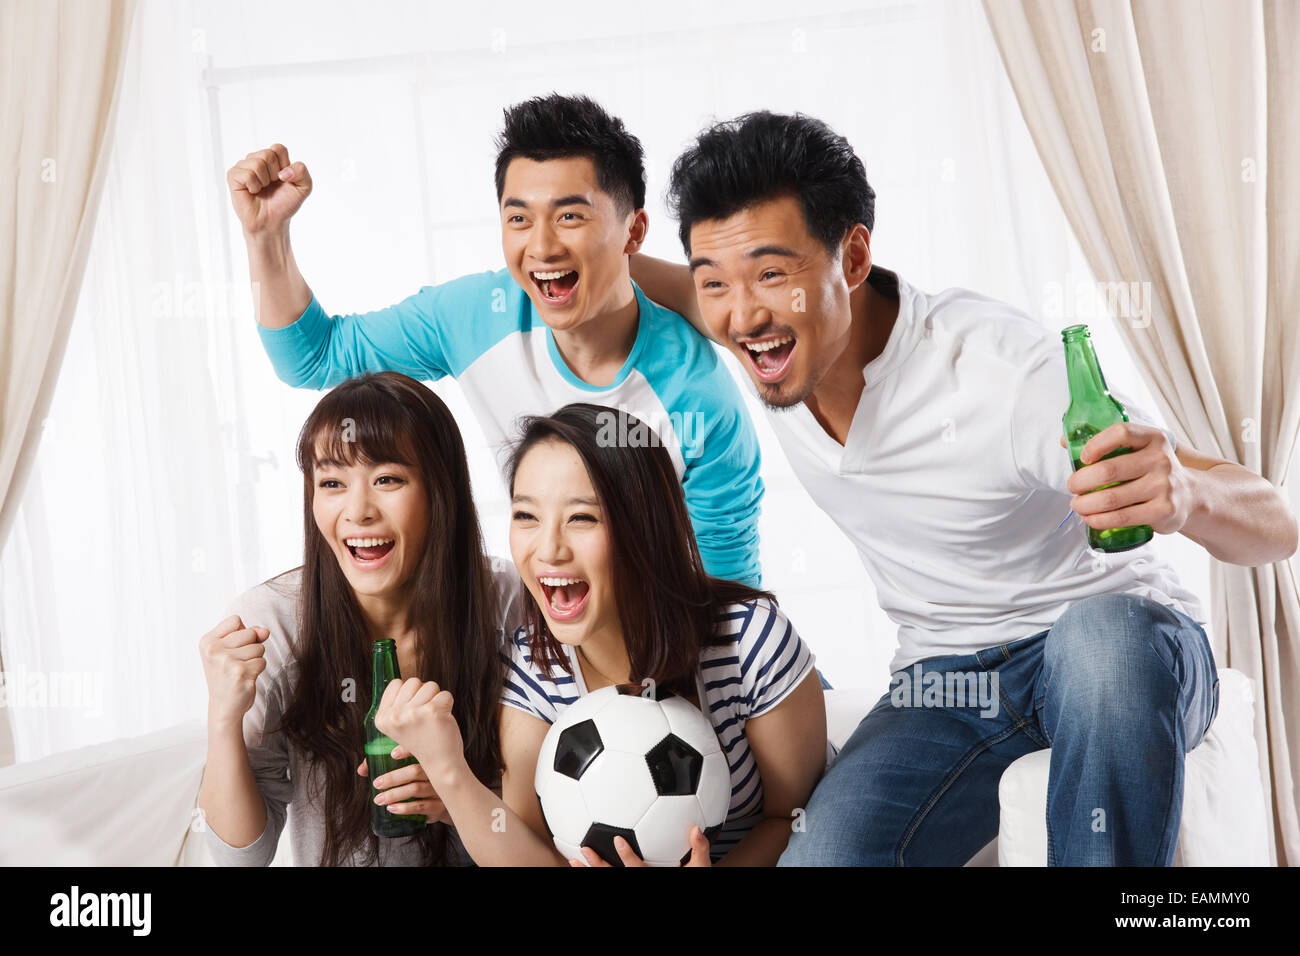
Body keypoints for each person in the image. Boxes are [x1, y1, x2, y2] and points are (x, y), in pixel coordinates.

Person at [629, 111, 1299, 865]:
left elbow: (1278, 523)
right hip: (947, 684)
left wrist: (1188, 495)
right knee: (826, 855)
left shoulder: (999, 372)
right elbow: (626, 269)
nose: (742, 312)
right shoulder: (762, 335)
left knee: (1100, 640)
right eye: (715, 282)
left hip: (1114, 650)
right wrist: (561, 243)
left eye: (772, 274)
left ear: (851, 258)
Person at [226, 93, 764, 587]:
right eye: (519, 218)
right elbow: (313, 357)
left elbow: (729, 600)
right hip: (545, 638)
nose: (542, 246)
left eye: (570, 216)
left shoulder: (698, 397)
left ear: (634, 231)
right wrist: (266, 236)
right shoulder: (477, 317)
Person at [373, 404, 830, 866]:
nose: (548, 549)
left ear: (645, 528)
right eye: (526, 516)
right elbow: (533, 850)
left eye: (582, 518)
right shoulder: (532, 669)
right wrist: (449, 771)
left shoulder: (749, 640)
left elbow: (793, 818)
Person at [198, 372, 525, 866]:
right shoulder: (273, 623)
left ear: (442, 491)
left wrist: (459, 800)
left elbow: (548, 823)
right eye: (331, 483)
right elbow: (240, 857)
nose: (357, 511)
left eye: (387, 479)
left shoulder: (509, 605)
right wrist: (223, 718)